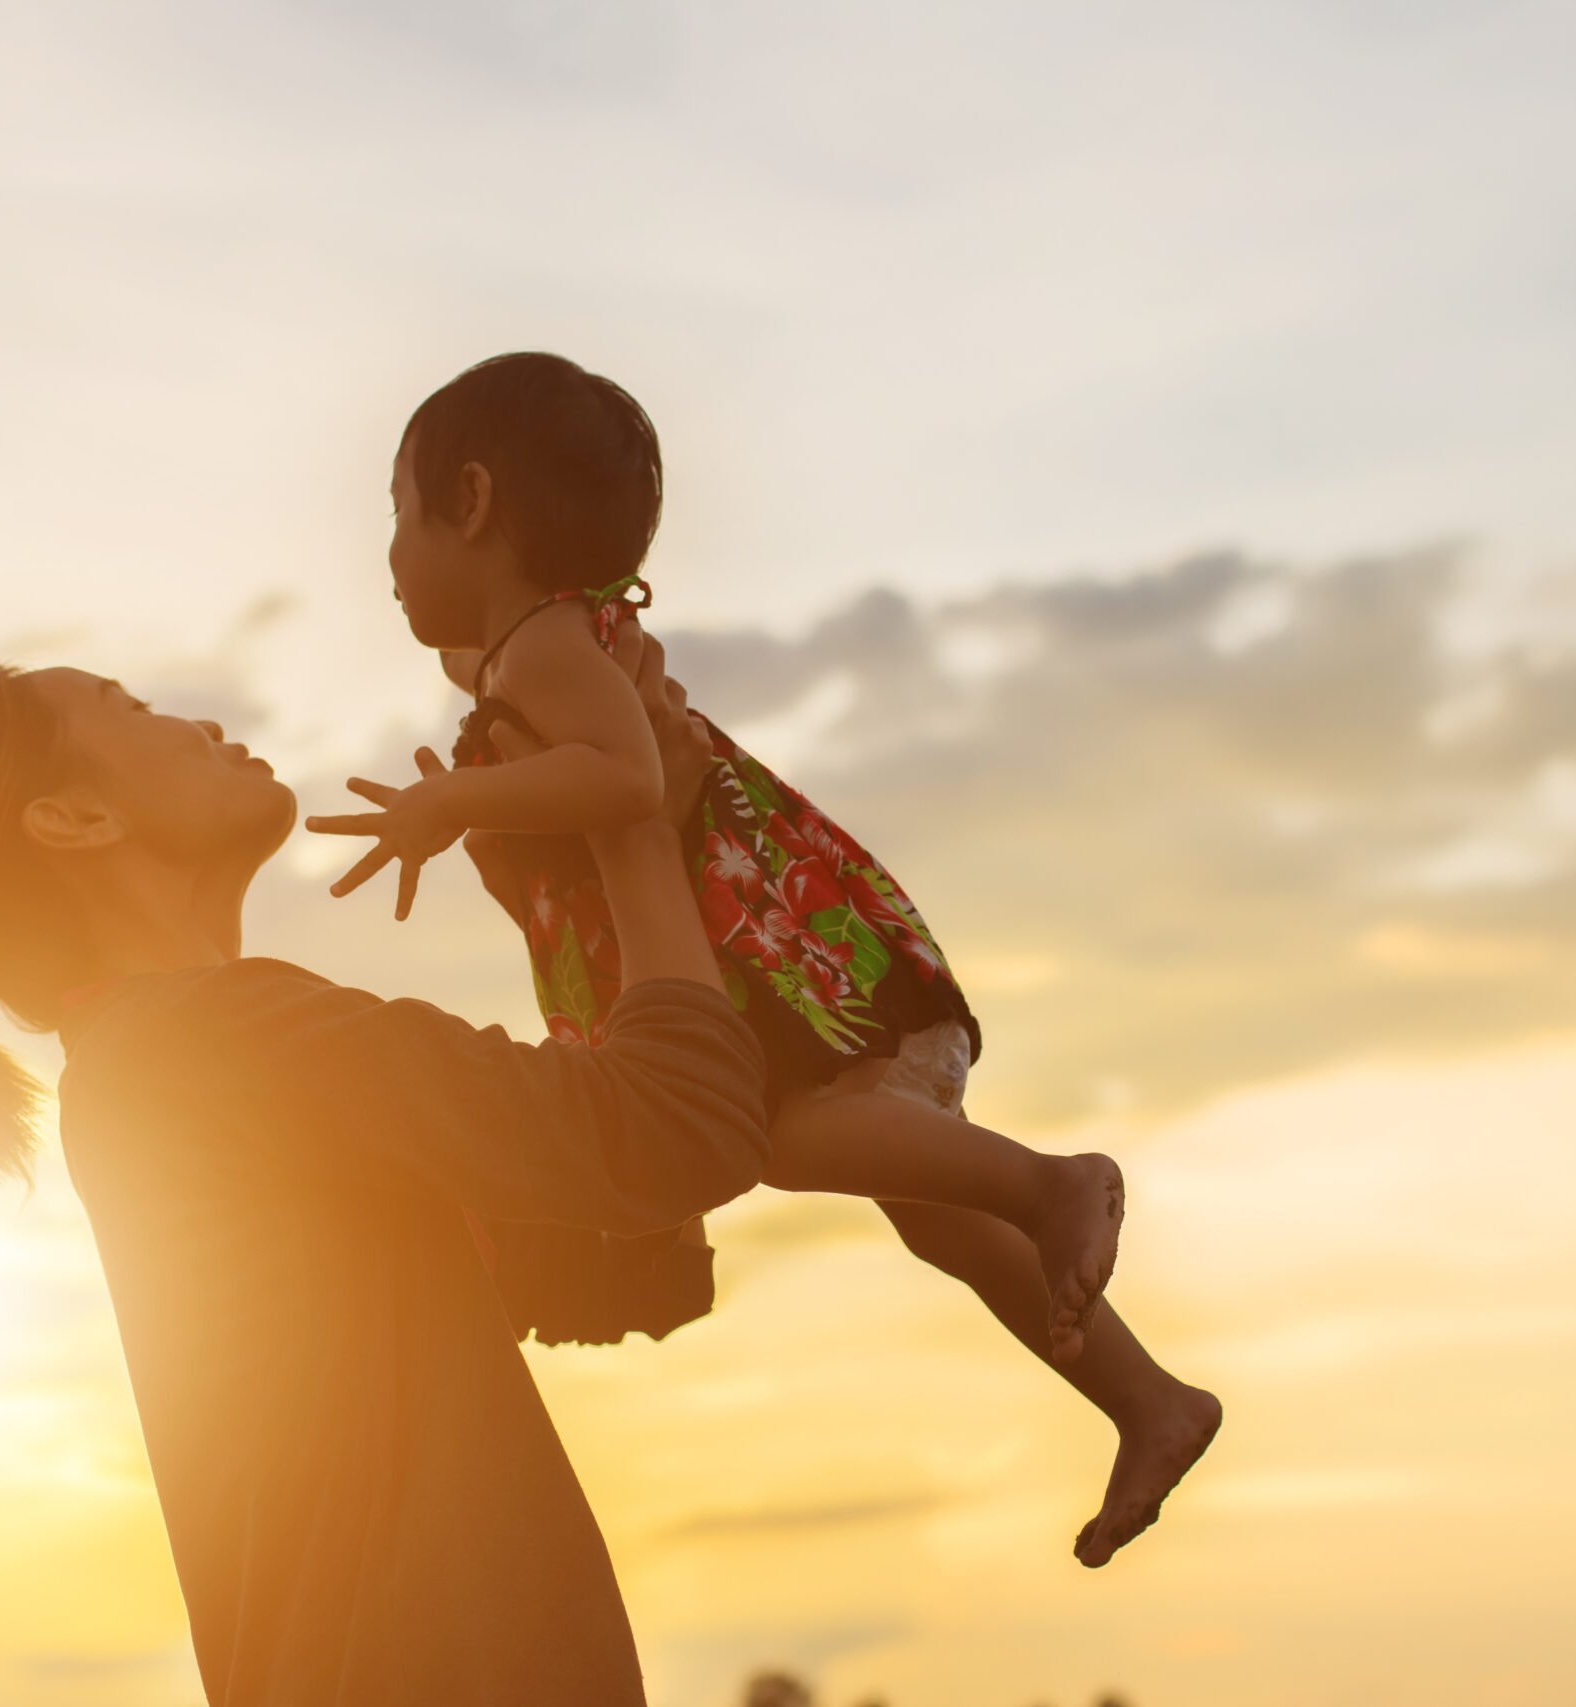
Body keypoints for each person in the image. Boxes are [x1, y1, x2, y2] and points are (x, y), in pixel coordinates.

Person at [310, 351, 1221, 1569]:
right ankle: (1146, 1399)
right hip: (780, 949)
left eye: (396, 512)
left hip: (766, 958)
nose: (385, 556)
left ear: (470, 503)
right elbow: (490, 683)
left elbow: (628, 781)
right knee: (930, 1214)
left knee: (782, 1143)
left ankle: (1050, 1183)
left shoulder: (543, 649)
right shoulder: (530, 650)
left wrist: (449, 805)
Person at [0, 637, 765, 1705]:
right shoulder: (209, 1040)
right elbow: (676, 1131)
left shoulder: (163, 1065)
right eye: (130, 704)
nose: (192, 722)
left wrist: (556, 894)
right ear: (76, 820)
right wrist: (635, 832)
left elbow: (607, 1264)